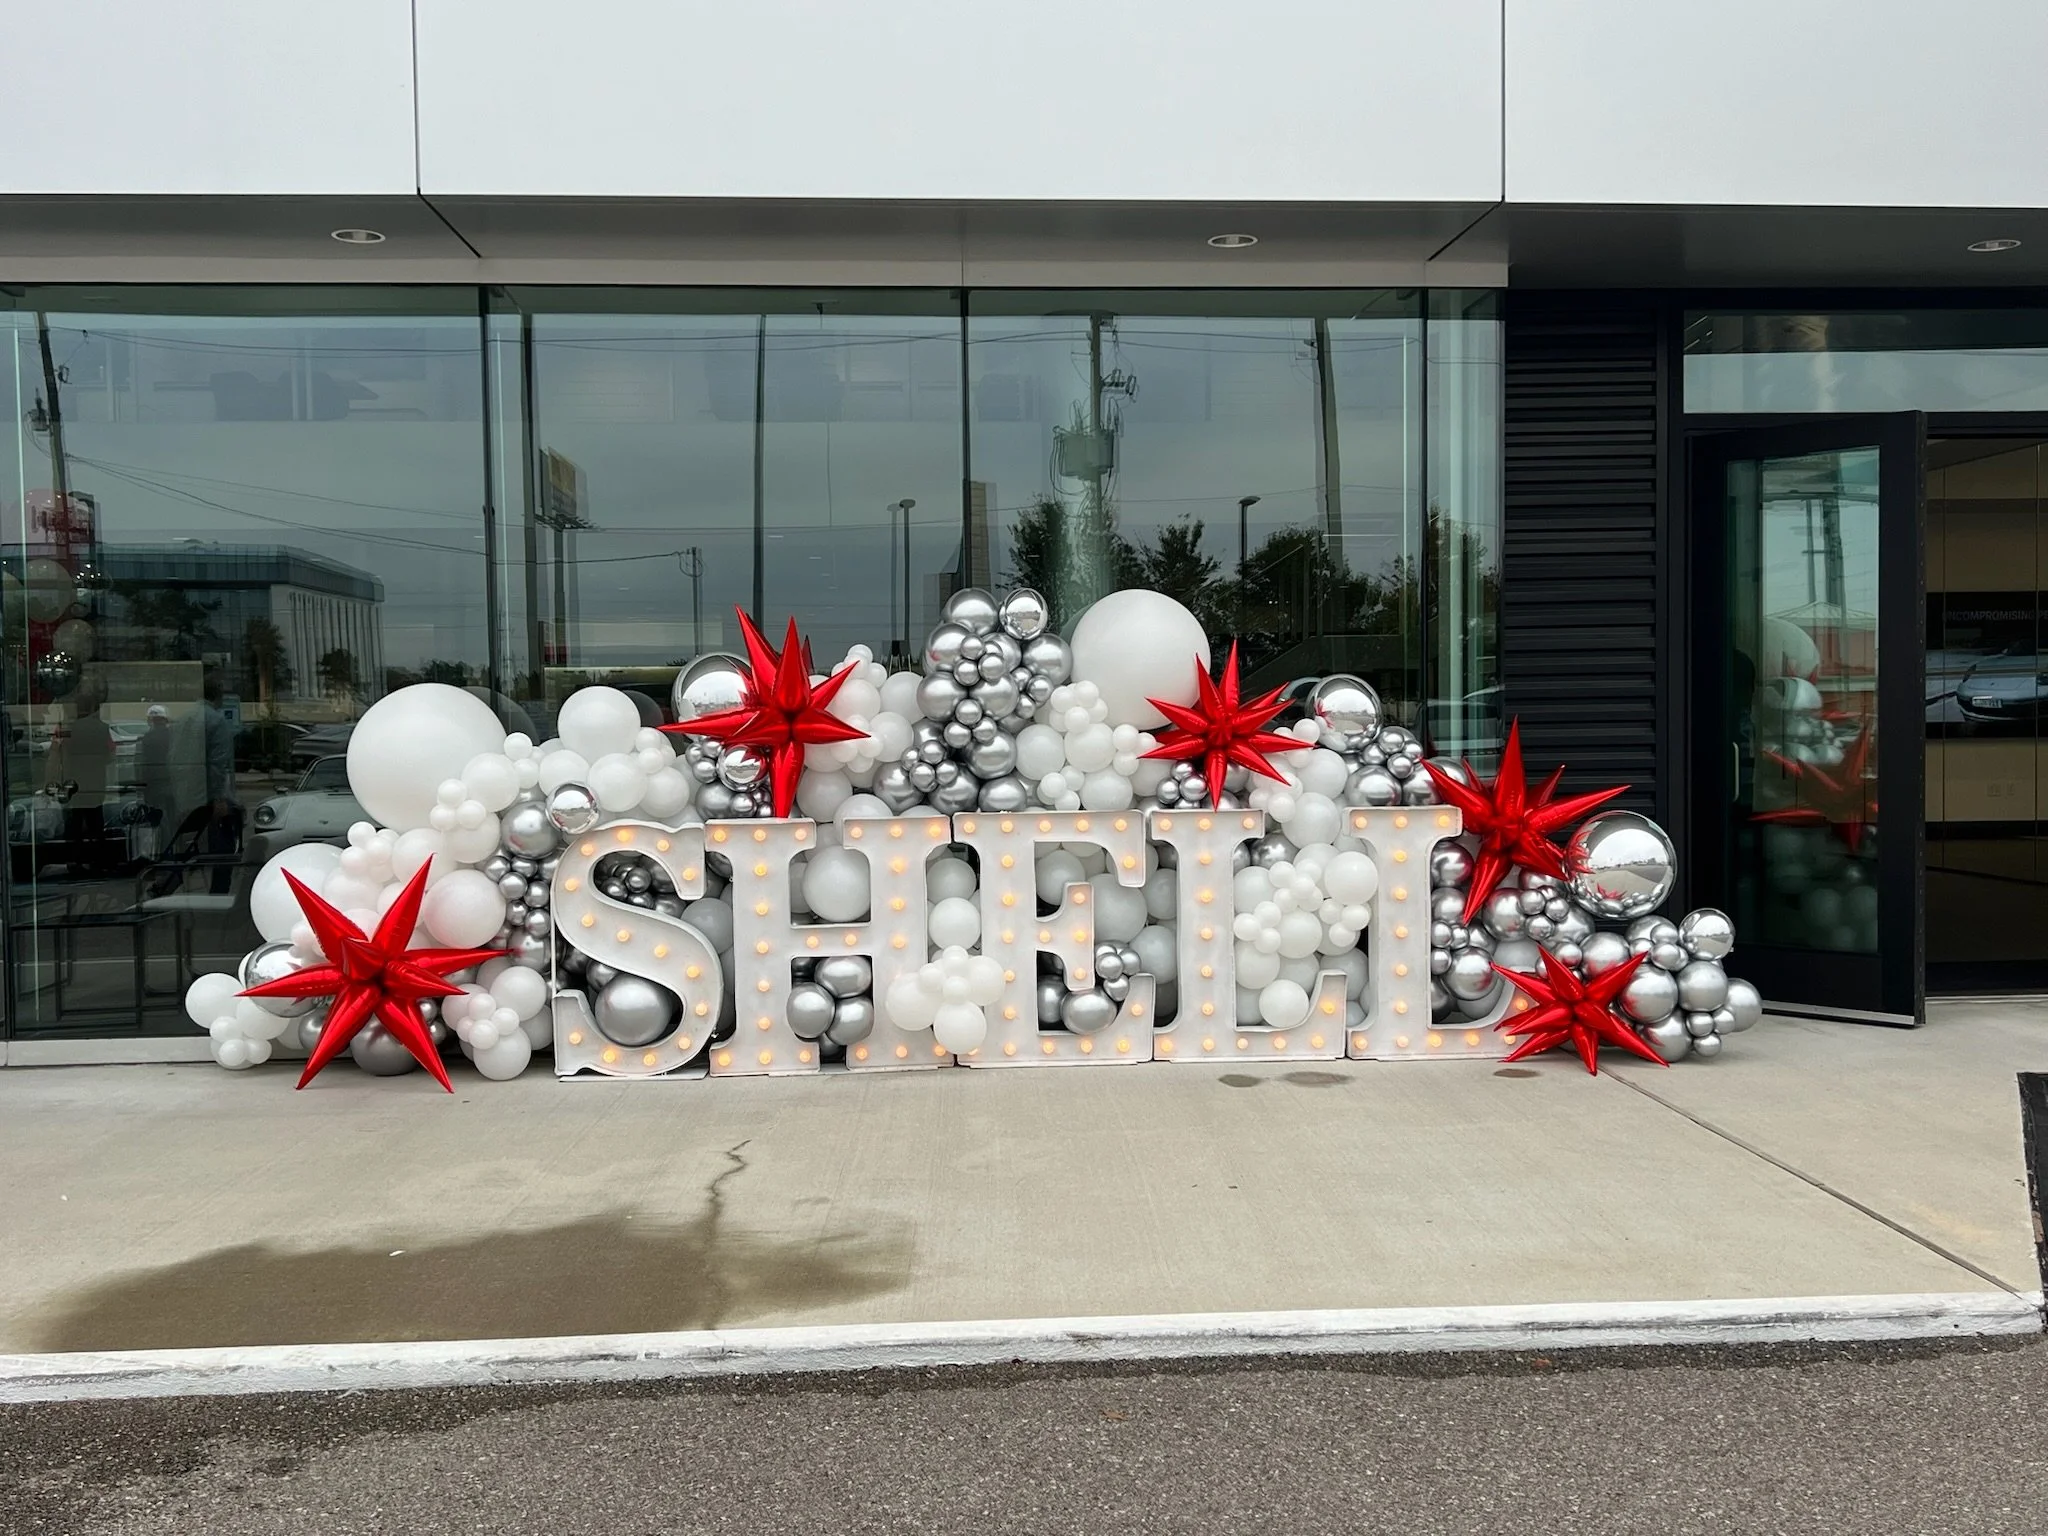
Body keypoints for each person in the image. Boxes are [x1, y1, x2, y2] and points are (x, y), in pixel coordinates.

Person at [44, 688, 114, 871]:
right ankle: (99, 860)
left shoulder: (67, 728)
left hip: (72, 783)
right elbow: (110, 756)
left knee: (73, 823)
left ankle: (75, 860)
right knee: (96, 822)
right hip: (96, 782)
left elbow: (57, 754)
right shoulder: (102, 728)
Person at [137, 704, 173, 853]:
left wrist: (141, 785)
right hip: (171, 783)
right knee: (171, 818)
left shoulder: (147, 738)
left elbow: (141, 764)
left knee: (157, 819)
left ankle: (160, 850)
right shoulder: (173, 736)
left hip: (153, 785)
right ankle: (171, 849)